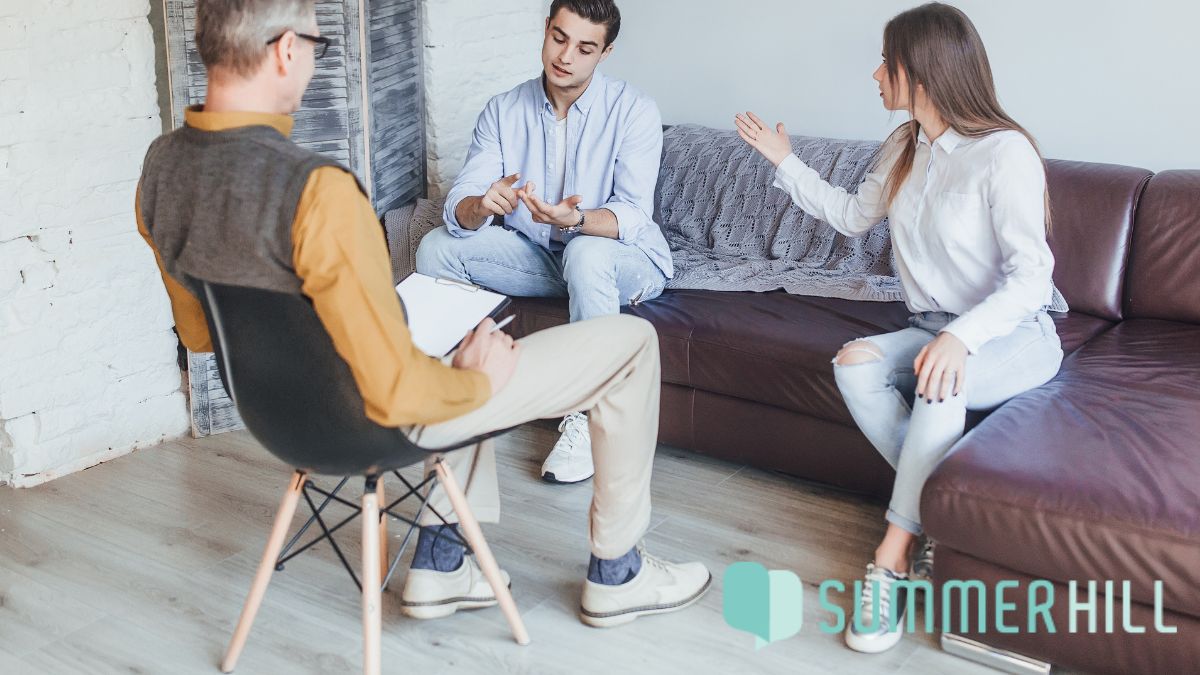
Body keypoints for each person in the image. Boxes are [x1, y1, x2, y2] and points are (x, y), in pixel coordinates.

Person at [137, 0, 708, 629]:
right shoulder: (319, 191)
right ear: (284, 50)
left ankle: (443, 564)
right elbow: (399, 388)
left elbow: (199, 333)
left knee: (460, 340)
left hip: (278, 425)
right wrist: (476, 379)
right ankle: (618, 575)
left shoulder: (159, 170)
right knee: (628, 342)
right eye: (317, 47)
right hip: (379, 422)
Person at [736, 2, 1064, 653]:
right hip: (931, 325)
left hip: (1014, 332)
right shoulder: (904, 146)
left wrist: (962, 338)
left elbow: (1031, 277)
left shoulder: (1004, 153)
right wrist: (785, 161)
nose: (876, 74)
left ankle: (891, 557)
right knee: (853, 362)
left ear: (922, 71)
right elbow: (853, 216)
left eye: (887, 62)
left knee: (941, 378)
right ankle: (938, 508)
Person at [415, 0, 672, 485]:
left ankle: (588, 418)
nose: (566, 56)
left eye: (584, 47)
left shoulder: (634, 110)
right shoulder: (503, 109)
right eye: (559, 37)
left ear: (605, 52)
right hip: (541, 258)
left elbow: (634, 217)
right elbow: (460, 208)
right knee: (435, 247)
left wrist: (573, 218)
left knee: (586, 251)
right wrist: (482, 205)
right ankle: (451, 396)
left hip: (624, 260)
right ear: (546, 29)